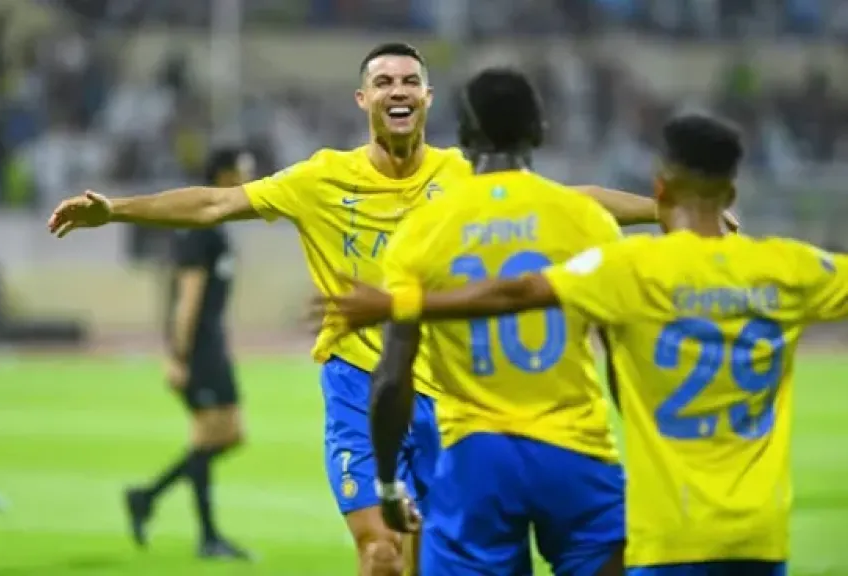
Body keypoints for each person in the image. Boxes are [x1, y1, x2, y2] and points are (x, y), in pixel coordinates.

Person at [49, 42, 687, 576]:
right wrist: (116, 210)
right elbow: (216, 204)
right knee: (380, 552)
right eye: (383, 82)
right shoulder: (321, 178)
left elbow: (569, 199)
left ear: (428, 98)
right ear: (363, 100)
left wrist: (666, 210)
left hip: (447, 400)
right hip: (358, 387)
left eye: (409, 81)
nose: (397, 90)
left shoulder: (462, 174)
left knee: (428, 557)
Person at [317, 113, 840, 576]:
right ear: (731, 192)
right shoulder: (788, 268)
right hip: (760, 534)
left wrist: (399, 304)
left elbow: (519, 291)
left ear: (660, 187)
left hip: (668, 529)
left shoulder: (630, 269)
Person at [355, 66, 627, 576]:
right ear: (540, 129)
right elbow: (621, 358)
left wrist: (389, 483)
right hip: (577, 452)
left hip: (475, 459)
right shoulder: (588, 220)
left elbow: (392, 377)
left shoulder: (423, 230)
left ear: (463, 136)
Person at [125, 147, 253, 560]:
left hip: (211, 343)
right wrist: (179, 356)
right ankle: (207, 537)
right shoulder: (201, 229)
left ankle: (147, 497)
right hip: (199, 348)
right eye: (243, 170)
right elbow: (188, 297)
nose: (248, 178)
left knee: (228, 434)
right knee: (210, 435)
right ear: (223, 174)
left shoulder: (217, 225)